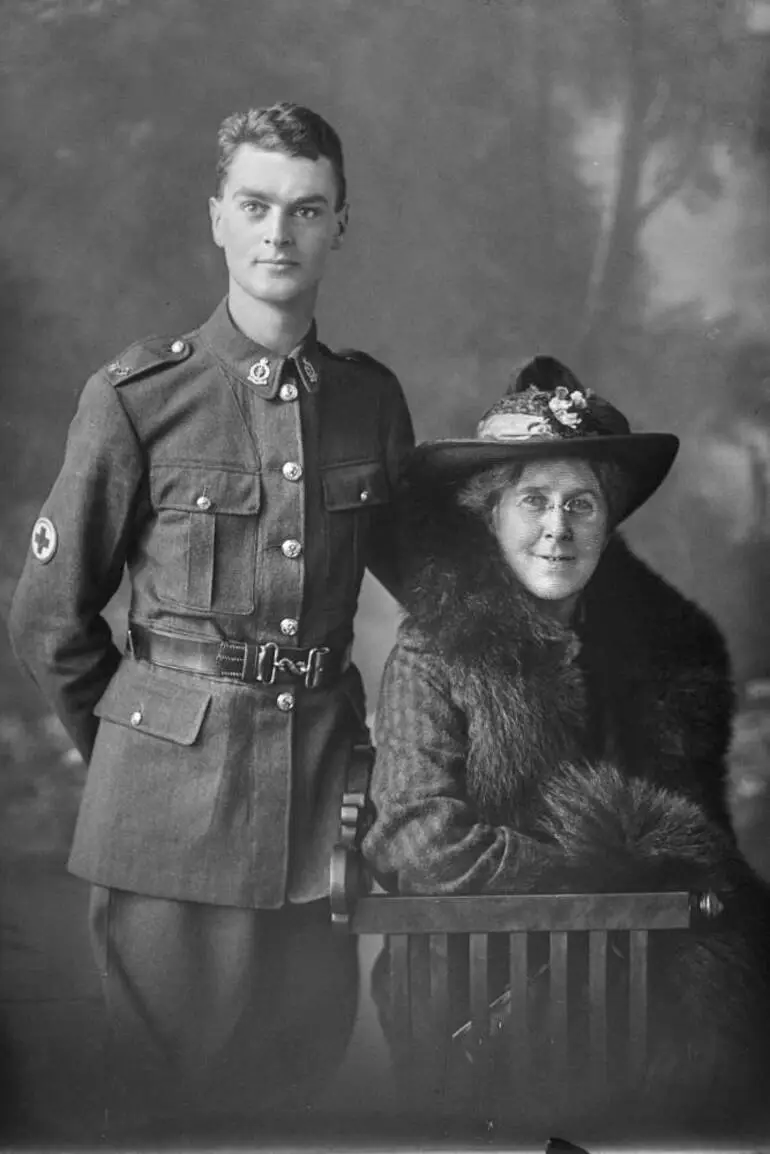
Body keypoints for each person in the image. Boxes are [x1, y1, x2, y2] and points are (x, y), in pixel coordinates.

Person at [8, 101, 414, 1139]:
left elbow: (433, 593)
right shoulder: (139, 398)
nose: (279, 231)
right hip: (164, 818)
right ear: (217, 221)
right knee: (162, 1114)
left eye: (305, 208)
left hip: (317, 807)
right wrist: (137, 749)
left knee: (293, 1092)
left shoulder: (370, 402)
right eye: (256, 205)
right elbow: (51, 618)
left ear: (339, 226)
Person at [363, 356, 770, 1134]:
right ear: (492, 516)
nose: (559, 527)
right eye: (535, 501)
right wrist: (602, 874)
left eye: (582, 503)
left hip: (639, 995)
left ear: (609, 523)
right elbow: (415, 842)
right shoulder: (434, 655)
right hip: (475, 991)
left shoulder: (646, 660)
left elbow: (690, 842)